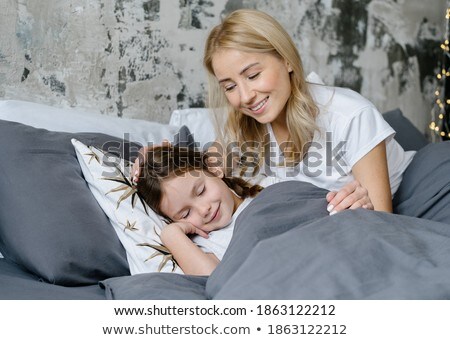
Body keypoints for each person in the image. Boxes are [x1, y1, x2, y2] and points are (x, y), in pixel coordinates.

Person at [201, 9, 415, 213]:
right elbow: (208, 167)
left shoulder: (351, 115)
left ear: (286, 60)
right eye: (230, 87)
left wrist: (366, 206)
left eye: (253, 75)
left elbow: (382, 219)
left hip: (418, 192)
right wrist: (171, 161)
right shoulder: (244, 122)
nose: (245, 96)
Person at [136, 145, 271, 276]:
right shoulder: (205, 245)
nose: (204, 210)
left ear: (213, 169)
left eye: (201, 191)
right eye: (186, 214)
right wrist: (171, 235)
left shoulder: (269, 188)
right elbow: (217, 283)